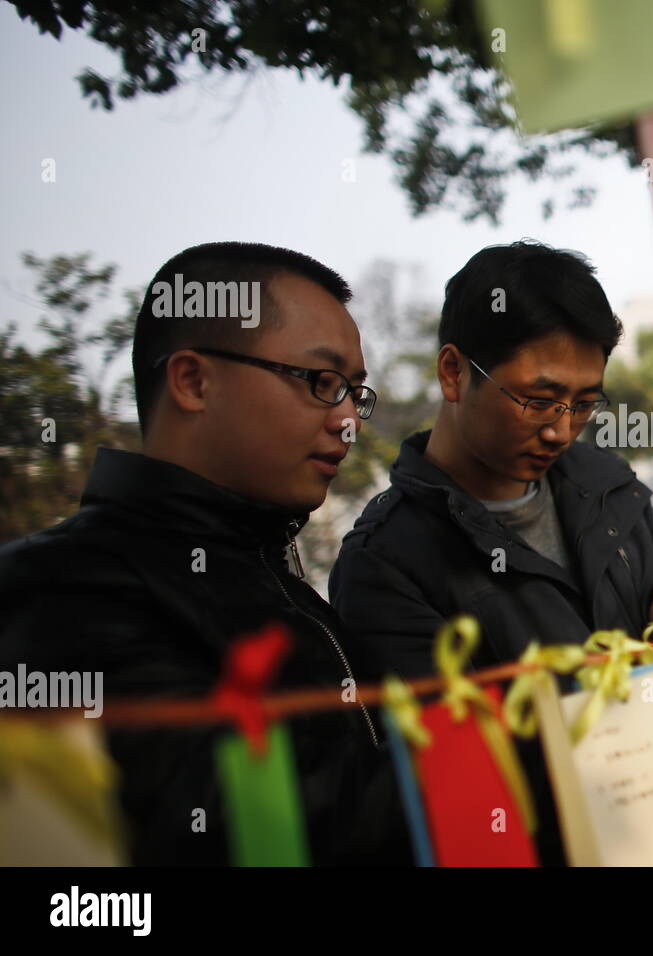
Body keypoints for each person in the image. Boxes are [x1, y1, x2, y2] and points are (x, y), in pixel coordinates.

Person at [329, 240, 653, 866]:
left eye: (586, 403)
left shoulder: (600, 480)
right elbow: (468, 788)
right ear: (454, 372)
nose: (561, 429)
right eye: (538, 400)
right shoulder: (387, 564)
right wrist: (642, 672)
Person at [0, 241, 410, 865]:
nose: (349, 421)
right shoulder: (58, 591)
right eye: (323, 384)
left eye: (357, 392)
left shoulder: (281, 583)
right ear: (193, 380)